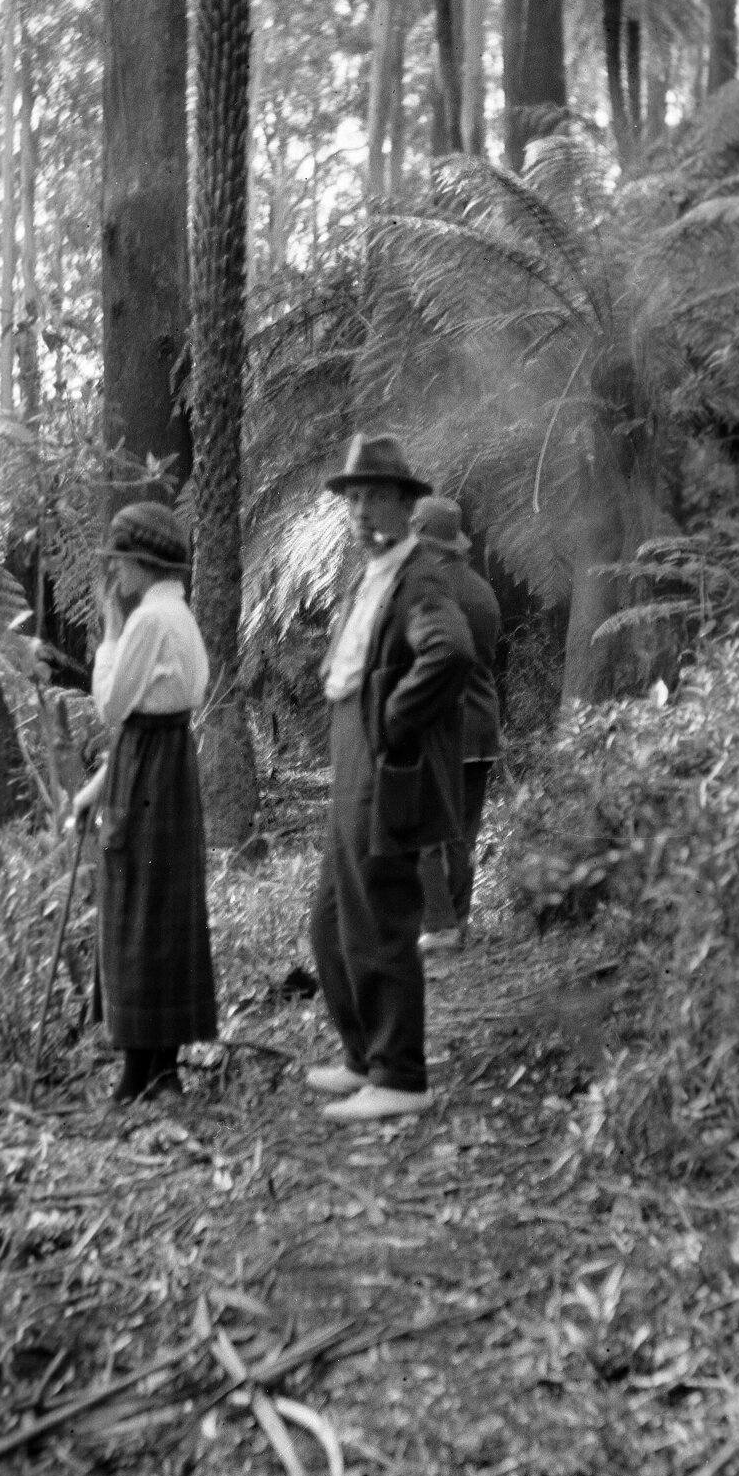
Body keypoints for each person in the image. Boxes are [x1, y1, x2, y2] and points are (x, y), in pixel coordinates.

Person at [307, 433, 476, 1122]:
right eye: (353, 497)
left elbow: (451, 653)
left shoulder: (421, 577)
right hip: (354, 759)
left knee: (380, 917)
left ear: (407, 505)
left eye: (375, 495)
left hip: (382, 766)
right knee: (329, 923)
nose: (360, 508)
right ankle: (364, 1057)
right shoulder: (371, 573)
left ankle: (402, 1074)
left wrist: (392, 722)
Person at [72, 499, 217, 1105]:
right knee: (160, 910)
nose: (116, 577)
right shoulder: (176, 614)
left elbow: (112, 708)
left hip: (148, 774)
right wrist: (93, 789)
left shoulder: (147, 622)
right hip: (165, 766)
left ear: (144, 563)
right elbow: (143, 719)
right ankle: (159, 1067)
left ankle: (143, 1071)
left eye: (120, 564)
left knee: (135, 907)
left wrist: (108, 630)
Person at [410, 496, 502, 952]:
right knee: (462, 833)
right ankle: (456, 921)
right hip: (484, 724)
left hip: (444, 726)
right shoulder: (482, 589)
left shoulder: (429, 590)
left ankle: (439, 924)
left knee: (425, 827)